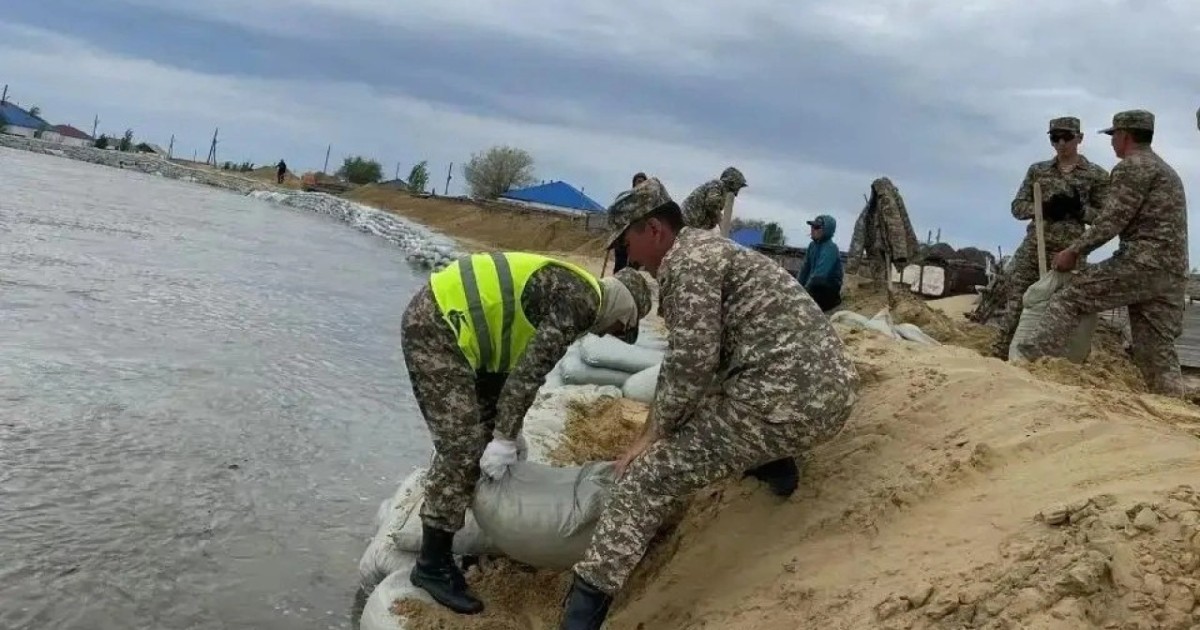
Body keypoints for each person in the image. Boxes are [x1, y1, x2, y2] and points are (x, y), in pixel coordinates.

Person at [555, 178, 860, 629]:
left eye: (627, 242)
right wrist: (668, 420)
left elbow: (691, 364)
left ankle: (579, 618)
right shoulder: (704, 249)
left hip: (790, 400)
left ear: (654, 230)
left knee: (647, 478)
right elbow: (700, 362)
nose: (630, 256)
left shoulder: (689, 264)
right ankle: (774, 466)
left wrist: (651, 437)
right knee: (700, 418)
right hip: (818, 389)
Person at [402, 252, 652, 614]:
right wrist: (504, 439)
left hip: (478, 345)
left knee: (485, 434)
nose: (604, 334)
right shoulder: (582, 301)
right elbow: (530, 374)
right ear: (623, 313)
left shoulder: (577, 291)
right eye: (616, 329)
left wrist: (506, 429)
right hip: (438, 328)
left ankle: (466, 533)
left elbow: (518, 367)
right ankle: (431, 564)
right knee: (463, 448)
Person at [1016, 110, 1188, 396]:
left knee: (1070, 296)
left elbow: (1112, 220)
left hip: (1141, 263)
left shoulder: (1132, 167)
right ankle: (1172, 410)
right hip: (1171, 273)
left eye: (1113, 136)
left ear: (1126, 136)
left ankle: (1030, 367)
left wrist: (1073, 250)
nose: (1111, 143)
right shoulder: (1166, 171)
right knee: (1156, 351)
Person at [990, 116, 1110, 358]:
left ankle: (1053, 360)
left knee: (1064, 304)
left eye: (1067, 137)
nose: (1061, 143)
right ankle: (1001, 354)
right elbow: (1017, 207)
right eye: (1055, 138)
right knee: (1018, 298)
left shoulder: (1096, 175)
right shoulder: (1038, 171)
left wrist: (1079, 211)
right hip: (1036, 245)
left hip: (1071, 250)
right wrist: (1042, 208)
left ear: (1079, 138)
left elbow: (1106, 217)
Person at [796, 214, 844, 312]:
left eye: (817, 227)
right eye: (812, 226)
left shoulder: (831, 248)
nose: (813, 229)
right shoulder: (812, 246)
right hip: (813, 286)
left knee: (817, 285)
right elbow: (804, 270)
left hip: (826, 291)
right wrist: (795, 288)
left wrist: (803, 294)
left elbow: (819, 275)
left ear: (826, 230)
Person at [679, 166, 747, 230]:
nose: (737, 191)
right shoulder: (717, 185)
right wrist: (720, 220)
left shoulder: (721, 190)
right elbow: (711, 203)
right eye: (738, 186)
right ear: (732, 182)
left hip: (692, 223)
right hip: (688, 222)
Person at [611, 172, 647, 274]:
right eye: (639, 181)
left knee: (634, 267)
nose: (641, 184)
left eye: (644, 182)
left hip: (638, 238)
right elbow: (616, 214)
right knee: (620, 265)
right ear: (634, 183)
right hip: (623, 237)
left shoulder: (647, 201)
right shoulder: (626, 198)